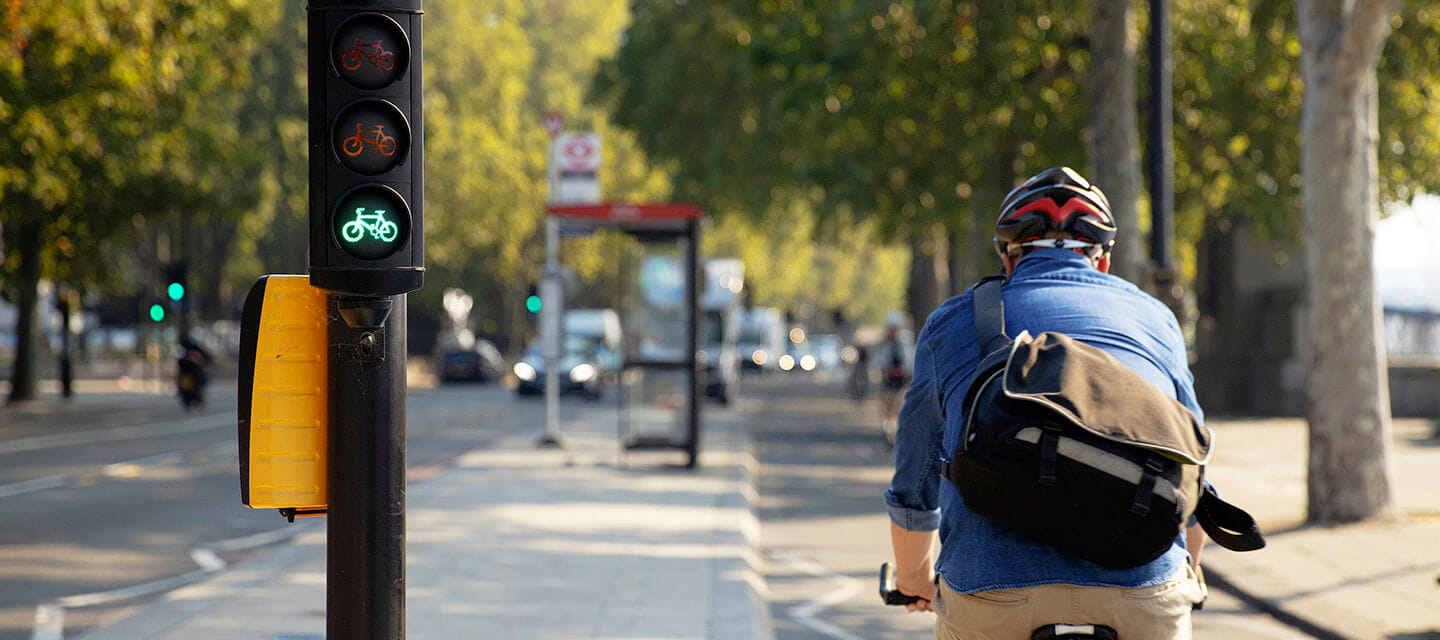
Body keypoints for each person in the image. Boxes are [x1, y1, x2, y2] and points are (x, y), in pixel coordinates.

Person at [885, 167, 1208, 638]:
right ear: (1102, 261)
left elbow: (914, 475)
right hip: (1142, 589)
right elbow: (1193, 465)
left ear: (1007, 256)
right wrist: (1190, 572)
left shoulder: (953, 323)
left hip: (992, 590)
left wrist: (913, 577)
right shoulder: (1155, 320)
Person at [873, 313, 913, 444]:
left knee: (898, 404)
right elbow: (879, 360)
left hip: (901, 379)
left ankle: (894, 430)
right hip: (888, 378)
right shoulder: (885, 342)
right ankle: (888, 430)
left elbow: (909, 360)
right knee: (887, 403)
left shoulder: (905, 340)